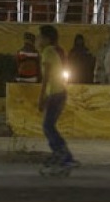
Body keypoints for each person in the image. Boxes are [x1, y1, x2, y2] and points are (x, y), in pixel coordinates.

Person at [37, 24, 78, 171]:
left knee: (47, 126)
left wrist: (41, 97)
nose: (37, 40)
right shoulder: (54, 50)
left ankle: (63, 155)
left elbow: (46, 77)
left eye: (40, 37)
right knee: (49, 126)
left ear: (47, 39)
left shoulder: (48, 51)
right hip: (59, 92)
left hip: (55, 93)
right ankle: (62, 154)